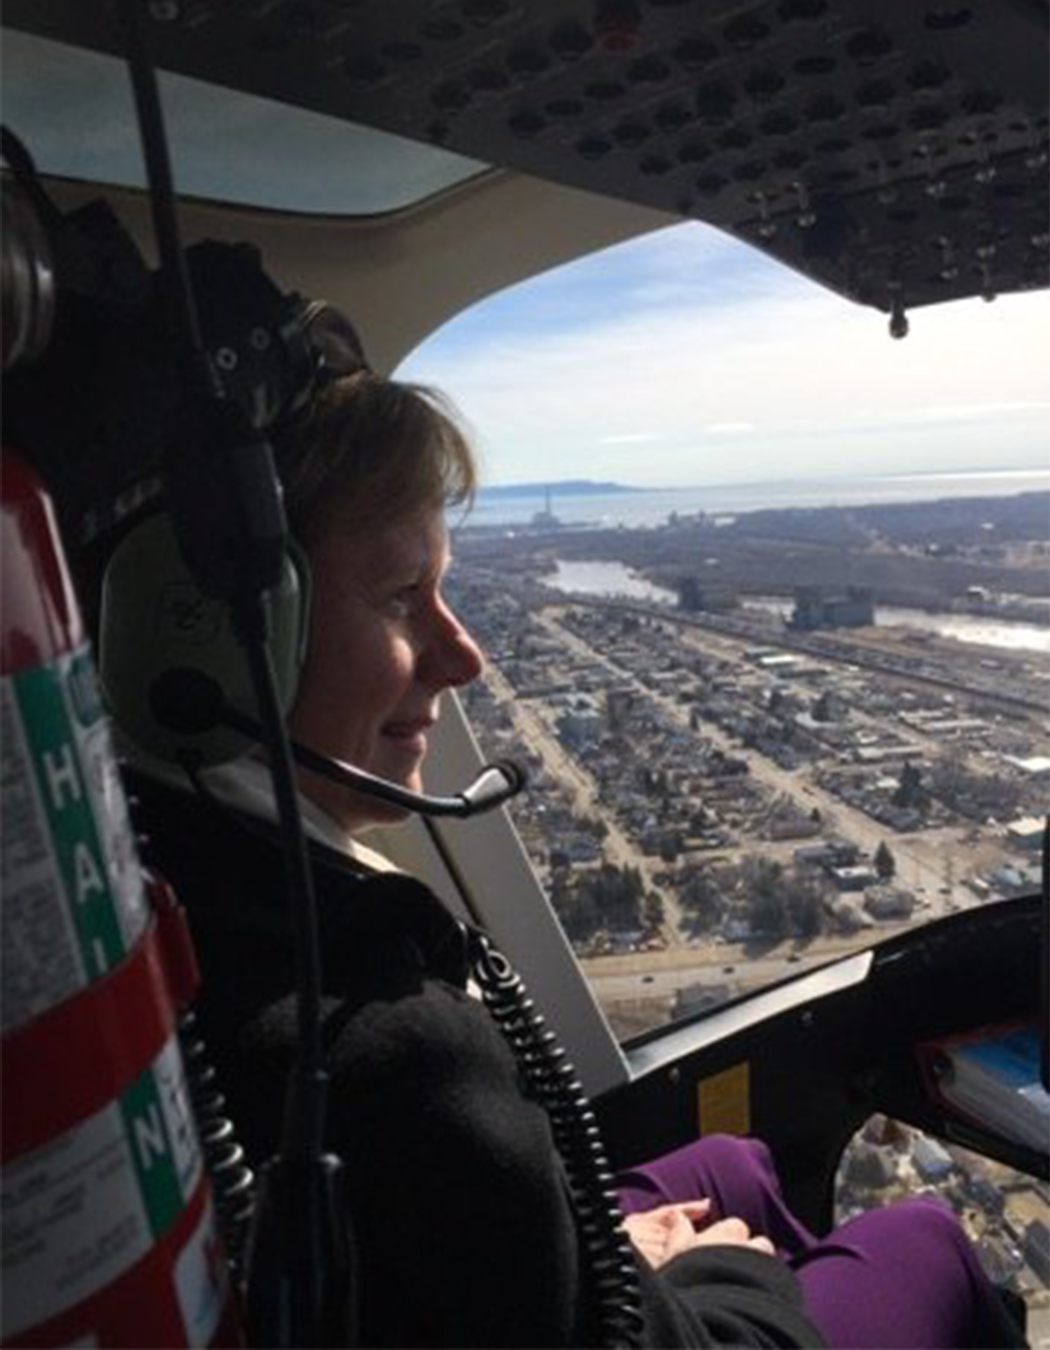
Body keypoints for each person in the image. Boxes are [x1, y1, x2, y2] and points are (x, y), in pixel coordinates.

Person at [116, 370, 1024, 1349]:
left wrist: (628, 1260)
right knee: (925, 1238)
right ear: (219, 640)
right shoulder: (374, 1045)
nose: (464, 657)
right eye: (401, 596)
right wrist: (727, 1280)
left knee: (738, 1164)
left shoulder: (155, 867)